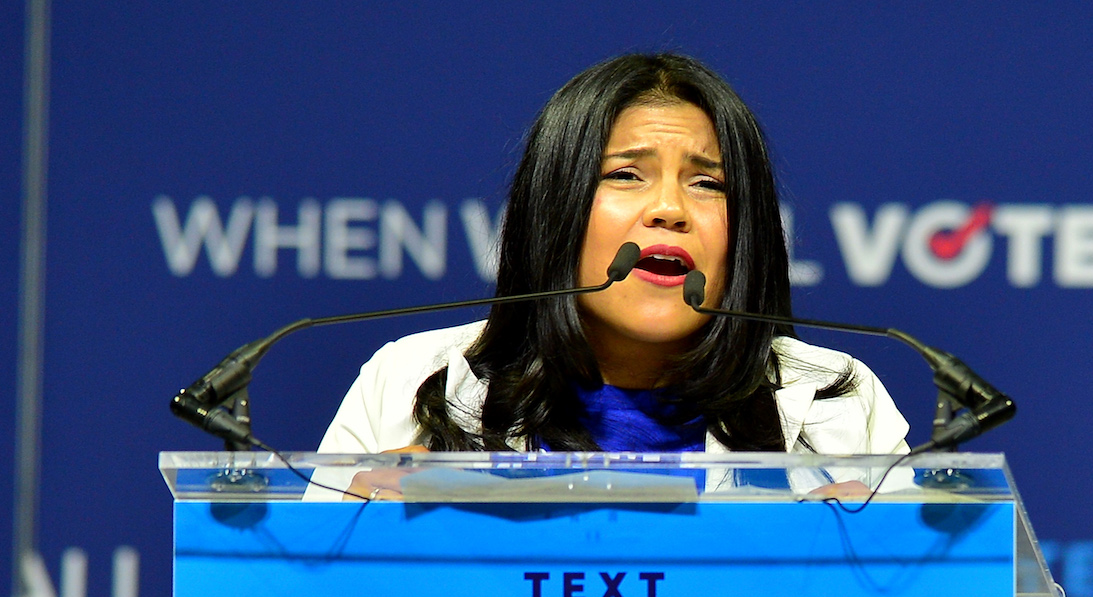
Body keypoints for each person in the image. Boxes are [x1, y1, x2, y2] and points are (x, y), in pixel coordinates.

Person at [311, 53, 908, 499]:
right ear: (555, 208)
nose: (670, 209)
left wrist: (870, 577)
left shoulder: (840, 402)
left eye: (708, 183)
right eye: (625, 175)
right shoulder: (411, 382)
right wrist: (358, 553)